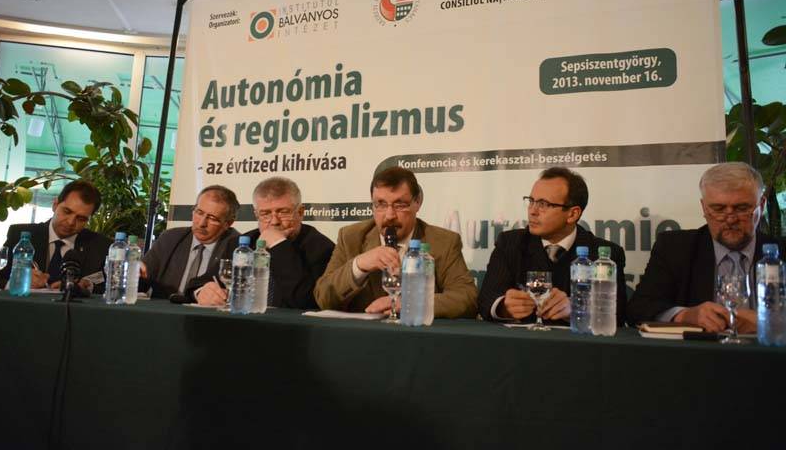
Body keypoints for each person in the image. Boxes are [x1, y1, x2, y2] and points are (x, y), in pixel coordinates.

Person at [627, 162, 786, 332]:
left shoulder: (782, 252)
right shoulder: (676, 248)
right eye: (718, 209)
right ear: (704, 207)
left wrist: (769, 321)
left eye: (741, 208)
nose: (730, 219)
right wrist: (685, 315)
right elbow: (638, 309)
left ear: (761, 206)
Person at [314, 167, 477, 318]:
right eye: (381, 204)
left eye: (400, 205)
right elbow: (323, 298)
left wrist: (410, 303)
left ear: (417, 202)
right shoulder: (351, 237)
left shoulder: (443, 242)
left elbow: (468, 298)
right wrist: (359, 266)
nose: (390, 215)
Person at [478, 167, 627, 325]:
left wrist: (577, 308)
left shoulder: (603, 254)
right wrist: (504, 307)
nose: (533, 211)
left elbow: (619, 314)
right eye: (531, 201)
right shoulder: (510, 243)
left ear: (572, 214)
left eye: (543, 204)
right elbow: (486, 299)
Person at [190, 177, 334, 309]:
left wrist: (279, 245)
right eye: (265, 214)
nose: (274, 221)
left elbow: (308, 300)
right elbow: (197, 283)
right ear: (256, 215)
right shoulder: (242, 244)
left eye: (283, 212)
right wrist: (202, 291)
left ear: (300, 212)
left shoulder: (321, 248)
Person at [0, 179, 111, 292]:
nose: (71, 222)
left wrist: (87, 287)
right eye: (67, 211)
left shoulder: (101, 246)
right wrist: (17, 280)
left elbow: (107, 287)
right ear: (55, 205)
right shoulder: (19, 235)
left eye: (81, 219)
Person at [141, 185, 239, 298]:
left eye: (212, 218)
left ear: (228, 223)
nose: (202, 223)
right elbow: (142, 277)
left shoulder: (236, 248)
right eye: (199, 212)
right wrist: (136, 271)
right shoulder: (170, 238)